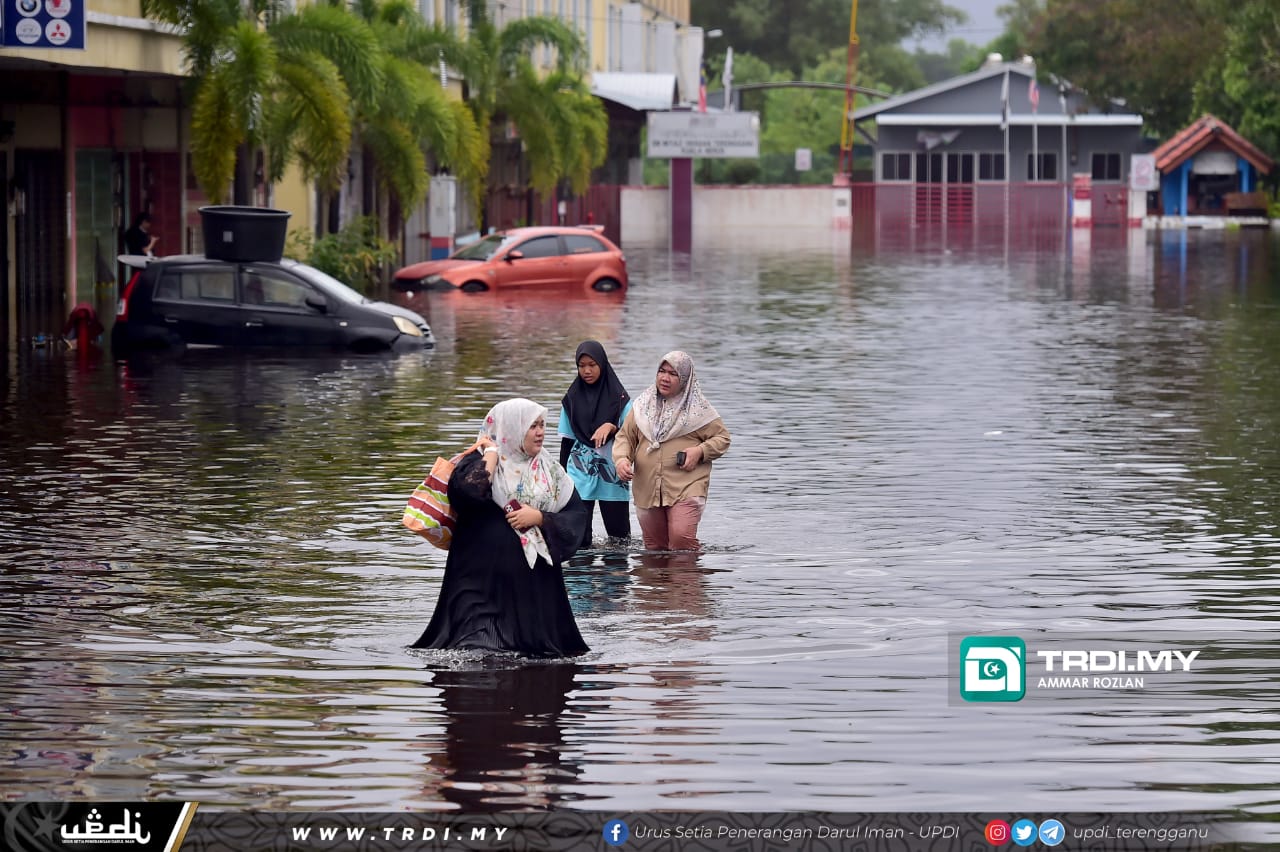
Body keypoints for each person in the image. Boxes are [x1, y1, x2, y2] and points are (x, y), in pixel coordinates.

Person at [412, 398, 589, 658]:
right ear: (511, 428)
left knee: (534, 660)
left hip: (532, 589)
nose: (540, 432)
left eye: (542, 425)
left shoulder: (550, 470)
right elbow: (469, 494)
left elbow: (577, 516)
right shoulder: (475, 463)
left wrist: (540, 517)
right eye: (532, 426)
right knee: (474, 655)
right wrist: (492, 454)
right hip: (478, 584)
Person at [614, 351, 731, 551]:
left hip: (686, 486)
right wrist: (622, 459)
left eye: (673, 373)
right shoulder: (642, 407)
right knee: (654, 547)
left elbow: (722, 439)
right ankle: (662, 574)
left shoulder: (699, 410)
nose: (665, 378)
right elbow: (625, 437)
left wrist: (700, 451)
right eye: (662, 371)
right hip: (647, 487)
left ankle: (686, 572)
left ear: (685, 379)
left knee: (681, 539)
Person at [558, 340, 632, 548]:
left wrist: (612, 426)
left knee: (620, 541)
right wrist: (561, 481)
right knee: (579, 543)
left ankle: (615, 572)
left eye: (592, 365)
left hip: (613, 474)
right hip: (579, 474)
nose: (587, 371)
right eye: (581, 366)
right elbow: (567, 443)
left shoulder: (621, 400)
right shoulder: (571, 400)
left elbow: (633, 436)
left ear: (602, 364)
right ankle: (581, 571)